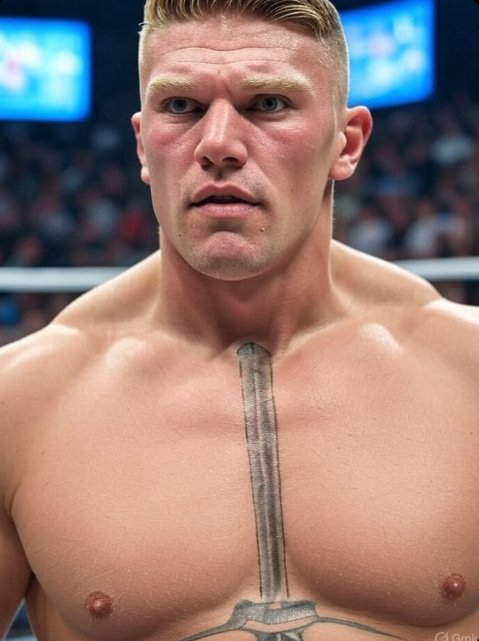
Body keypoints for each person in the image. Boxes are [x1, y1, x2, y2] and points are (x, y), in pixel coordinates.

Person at [1, 1, 478, 640]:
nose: (219, 145)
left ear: (347, 142)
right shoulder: (19, 402)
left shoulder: (469, 369)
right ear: (142, 143)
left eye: (268, 104)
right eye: (181, 106)